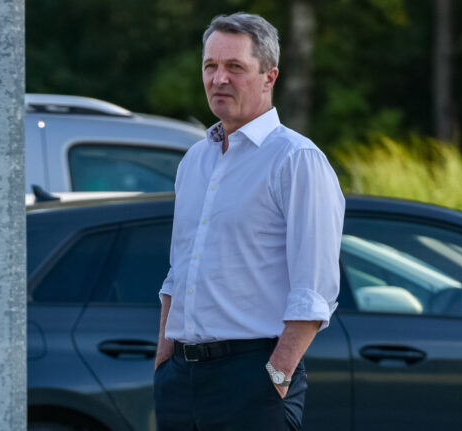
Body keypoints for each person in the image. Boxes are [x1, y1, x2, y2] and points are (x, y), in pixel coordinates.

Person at [153, 12, 345, 431]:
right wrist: (164, 359)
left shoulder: (296, 160)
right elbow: (178, 273)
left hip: (253, 378)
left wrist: (276, 377)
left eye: (234, 67)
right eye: (210, 66)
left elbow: (314, 290)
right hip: (181, 382)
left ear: (268, 77)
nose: (219, 78)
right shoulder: (194, 160)